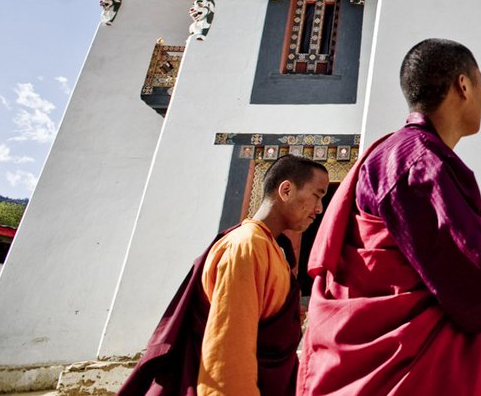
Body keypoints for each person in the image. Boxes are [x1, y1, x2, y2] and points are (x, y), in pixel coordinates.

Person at [298, 39, 481, 396]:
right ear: (463, 86)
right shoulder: (417, 163)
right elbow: (474, 284)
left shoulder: (404, 154)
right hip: (412, 368)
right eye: (480, 81)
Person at [119, 155, 329, 396]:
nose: (320, 209)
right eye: (317, 195)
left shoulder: (272, 250)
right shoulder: (246, 245)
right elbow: (229, 350)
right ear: (286, 189)